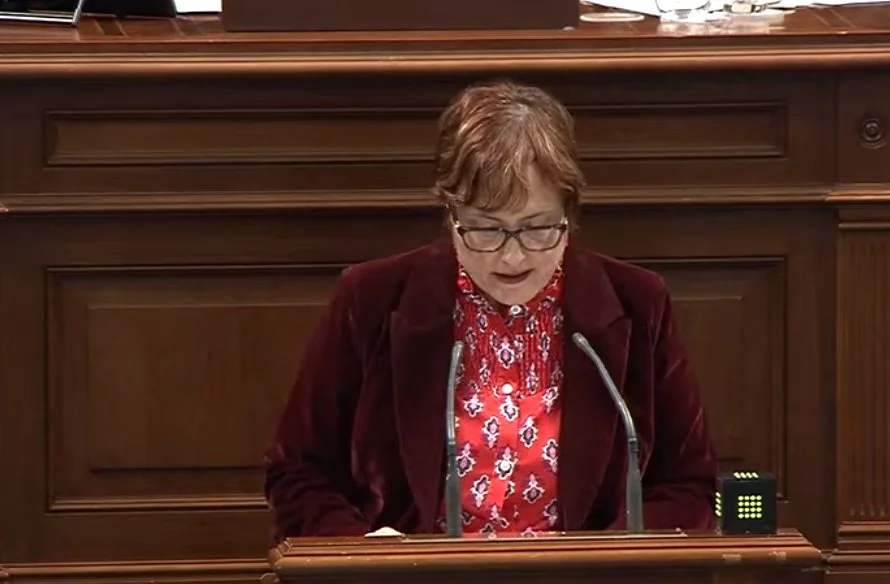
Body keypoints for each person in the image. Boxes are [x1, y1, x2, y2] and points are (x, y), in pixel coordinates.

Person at [263, 80, 718, 540]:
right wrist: (366, 553)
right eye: (485, 229)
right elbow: (298, 471)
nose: (512, 257)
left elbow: (687, 484)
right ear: (450, 212)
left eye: (538, 228)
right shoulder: (372, 298)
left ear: (570, 212)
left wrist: (604, 554)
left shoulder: (637, 303)